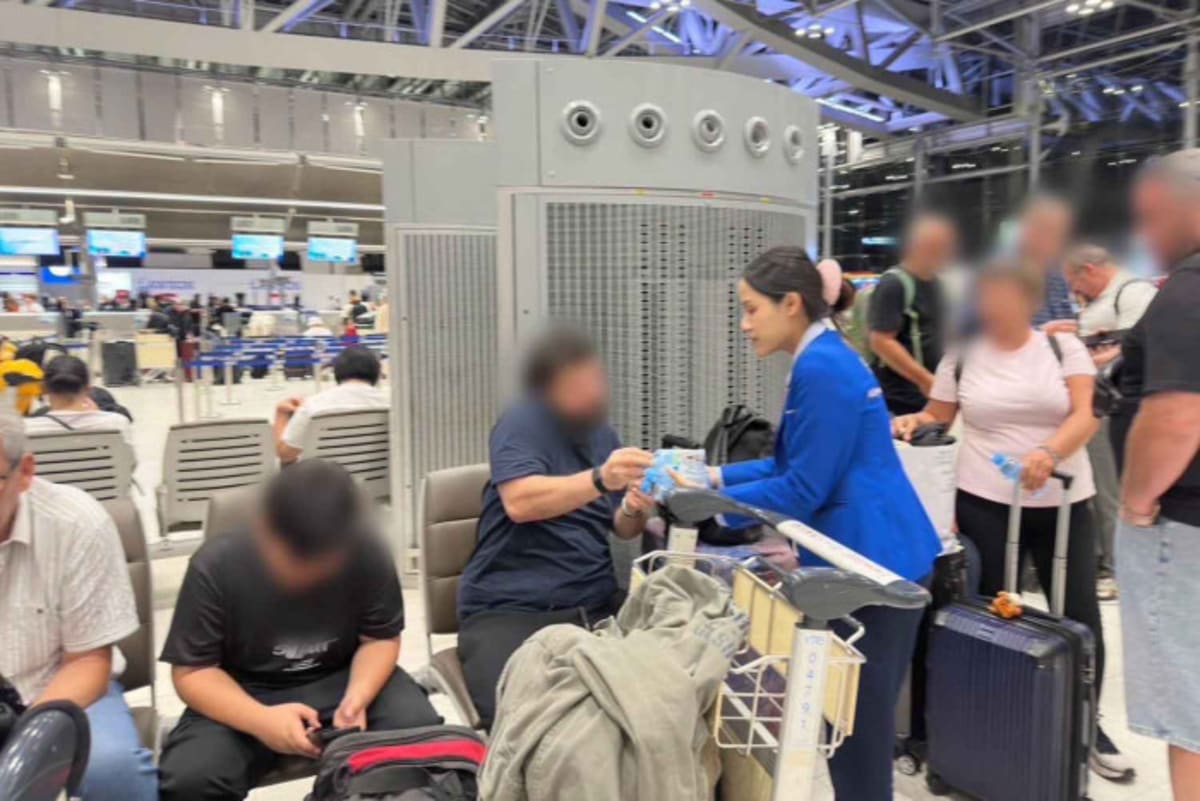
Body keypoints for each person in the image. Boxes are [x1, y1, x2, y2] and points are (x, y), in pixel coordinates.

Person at [711, 247, 940, 800]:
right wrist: (711, 473)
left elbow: (801, 489)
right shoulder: (823, 356)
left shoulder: (822, 367)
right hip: (869, 556)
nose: (744, 325)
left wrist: (712, 507)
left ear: (791, 304)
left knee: (855, 731)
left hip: (874, 565)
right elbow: (795, 463)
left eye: (750, 309)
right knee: (848, 724)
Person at [894, 262, 1132, 782]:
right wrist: (916, 420)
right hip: (984, 499)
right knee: (991, 613)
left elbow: (1086, 412)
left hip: (1064, 502)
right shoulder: (963, 354)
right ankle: (997, 717)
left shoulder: (1060, 348)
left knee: (1078, 614)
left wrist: (1048, 452)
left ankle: (1085, 724)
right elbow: (940, 413)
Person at [157, 460, 439, 801]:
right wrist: (261, 721)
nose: (307, 574)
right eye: (295, 558)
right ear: (265, 529)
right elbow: (193, 672)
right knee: (191, 779)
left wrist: (358, 697)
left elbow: (379, 639)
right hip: (243, 689)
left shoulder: (366, 552)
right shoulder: (216, 566)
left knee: (422, 740)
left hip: (342, 676)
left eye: (323, 560)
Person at [456, 326, 655, 731]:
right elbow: (520, 502)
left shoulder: (603, 436)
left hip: (593, 603)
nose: (594, 391)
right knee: (529, 724)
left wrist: (635, 507)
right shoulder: (522, 423)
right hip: (509, 609)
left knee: (656, 703)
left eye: (597, 380)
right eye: (581, 381)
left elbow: (623, 529)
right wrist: (601, 479)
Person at [0, 406, 157, 801]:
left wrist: (30, 739)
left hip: (63, 685)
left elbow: (89, 661)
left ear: (25, 472)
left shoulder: (76, 524)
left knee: (114, 773)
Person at [1115, 149, 1200, 801]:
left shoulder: (1188, 294)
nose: (1145, 236)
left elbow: (1175, 419)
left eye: (1151, 218)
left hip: (1183, 528)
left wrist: (1138, 501)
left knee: (1190, 710)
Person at [1063, 244, 1158, 600]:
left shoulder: (1134, 294)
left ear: (1089, 269)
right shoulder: (1101, 302)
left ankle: (1118, 568)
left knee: (1109, 491)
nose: (1074, 289)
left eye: (1074, 279)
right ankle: (1103, 559)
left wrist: (1095, 358)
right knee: (1096, 488)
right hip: (1096, 404)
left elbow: (1139, 345)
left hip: (1118, 409)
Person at [868, 213, 957, 415]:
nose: (943, 253)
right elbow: (881, 341)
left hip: (931, 398)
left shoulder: (938, 284)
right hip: (900, 401)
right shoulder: (893, 284)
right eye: (936, 246)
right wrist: (925, 380)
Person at [273, 345, 387, 464]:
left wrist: (280, 412)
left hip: (326, 481)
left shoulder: (313, 406)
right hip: (380, 481)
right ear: (376, 373)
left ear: (337, 372)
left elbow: (285, 455)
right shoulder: (390, 406)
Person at [24, 356, 136, 457]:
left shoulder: (25, 429)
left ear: (44, 389)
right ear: (88, 389)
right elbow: (129, 465)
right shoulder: (116, 423)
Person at [1014, 194, 1078, 330]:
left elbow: (1070, 319)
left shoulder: (1058, 275)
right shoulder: (1004, 276)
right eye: (1045, 230)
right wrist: (1044, 332)